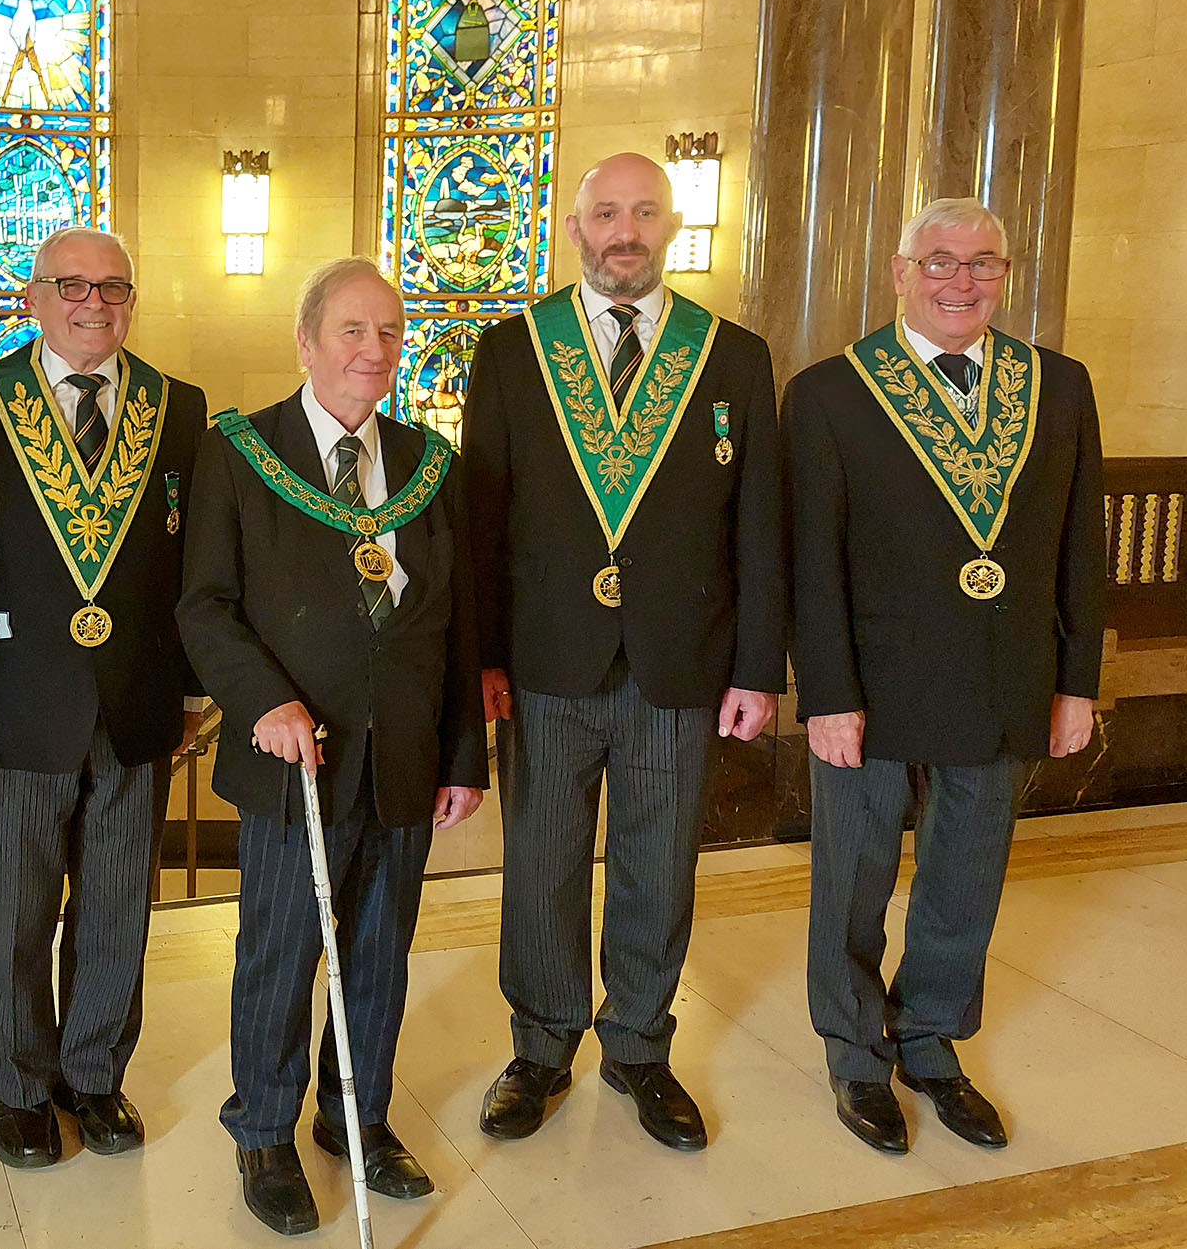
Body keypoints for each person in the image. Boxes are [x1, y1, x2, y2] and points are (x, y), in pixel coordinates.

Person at [462, 153, 785, 1151]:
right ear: (575, 227)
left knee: (657, 865)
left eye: (645, 211)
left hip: (679, 665)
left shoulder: (731, 355)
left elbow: (760, 525)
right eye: (607, 212)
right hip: (547, 665)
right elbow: (483, 518)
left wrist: (757, 666)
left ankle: (641, 1044)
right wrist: (482, 658)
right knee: (544, 867)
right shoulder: (514, 350)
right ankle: (542, 1044)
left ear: (672, 225)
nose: (625, 230)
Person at [784, 196, 1103, 1155]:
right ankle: (852, 1052)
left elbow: (1079, 544)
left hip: (1004, 677)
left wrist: (1075, 679)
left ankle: (929, 1041)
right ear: (899, 270)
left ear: (1006, 274)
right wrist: (827, 693)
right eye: (940, 262)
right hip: (871, 689)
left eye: (982, 264)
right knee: (855, 877)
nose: (961, 282)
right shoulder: (831, 392)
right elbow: (813, 560)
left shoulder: (1059, 384)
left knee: (966, 873)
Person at [177, 257, 488, 1236]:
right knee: (281, 950)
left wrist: (462, 756)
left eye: (389, 333)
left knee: (381, 950)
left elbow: (458, 624)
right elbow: (206, 604)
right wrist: (264, 699)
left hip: (402, 751)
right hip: (291, 761)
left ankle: (356, 1117)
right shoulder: (241, 453)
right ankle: (263, 1130)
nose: (373, 351)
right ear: (306, 341)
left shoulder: (430, 462)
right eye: (352, 331)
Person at [0, 227, 207, 1168]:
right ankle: (20, 1087)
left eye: (114, 288)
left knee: (118, 900)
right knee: (16, 906)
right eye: (71, 286)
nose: (93, 303)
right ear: (32, 297)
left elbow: (192, 563)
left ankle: (93, 1074)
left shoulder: (178, 407)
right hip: (17, 699)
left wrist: (192, 686)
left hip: (137, 697)